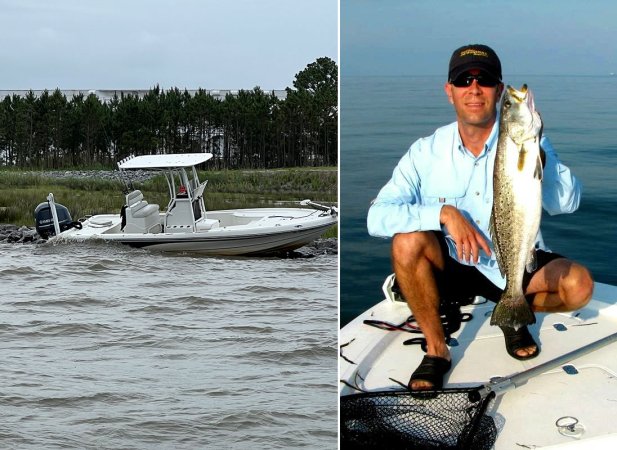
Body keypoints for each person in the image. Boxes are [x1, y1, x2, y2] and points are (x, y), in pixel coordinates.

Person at [366, 44, 594, 391]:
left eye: (485, 81)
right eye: (463, 80)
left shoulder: (533, 145)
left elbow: (568, 203)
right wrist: (442, 213)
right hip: (452, 264)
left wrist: (542, 162)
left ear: (499, 91)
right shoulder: (425, 152)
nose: (474, 88)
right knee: (406, 240)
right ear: (450, 91)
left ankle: (512, 312)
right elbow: (376, 218)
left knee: (579, 287)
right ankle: (437, 350)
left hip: (512, 262)